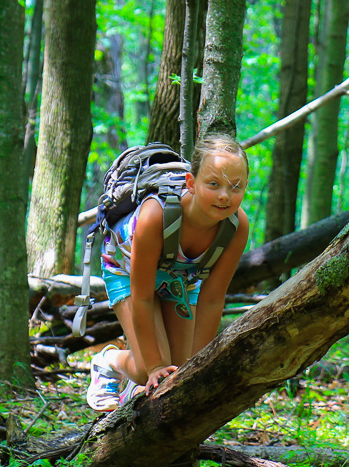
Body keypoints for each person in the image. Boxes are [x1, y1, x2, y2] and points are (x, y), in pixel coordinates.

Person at [87, 135, 250, 411]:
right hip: (127, 273)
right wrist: (153, 367)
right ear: (191, 183)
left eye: (235, 187)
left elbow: (212, 299)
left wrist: (200, 367)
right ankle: (109, 363)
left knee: (181, 371)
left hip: (179, 280)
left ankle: (135, 392)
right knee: (148, 368)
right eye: (213, 184)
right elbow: (141, 298)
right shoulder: (156, 215)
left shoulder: (236, 226)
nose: (224, 195)